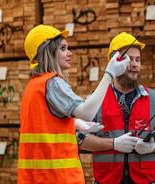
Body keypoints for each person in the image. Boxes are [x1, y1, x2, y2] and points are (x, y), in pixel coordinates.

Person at [18, 25, 130, 184]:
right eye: (63, 48)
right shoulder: (53, 82)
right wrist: (109, 74)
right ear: (48, 51)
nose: (69, 53)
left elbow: (43, 123)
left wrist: (76, 123)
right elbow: (86, 112)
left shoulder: (33, 86)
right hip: (59, 178)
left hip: (36, 178)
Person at [77, 32, 155, 184]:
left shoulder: (153, 99)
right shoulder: (96, 99)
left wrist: (152, 147)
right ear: (114, 62)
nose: (135, 64)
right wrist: (113, 143)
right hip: (107, 180)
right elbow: (80, 138)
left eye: (138, 59)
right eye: (129, 59)